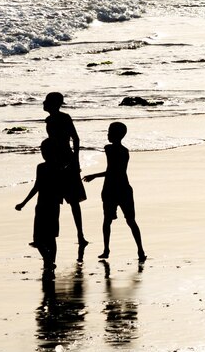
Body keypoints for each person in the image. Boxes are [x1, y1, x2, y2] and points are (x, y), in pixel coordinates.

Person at [83, 122, 147, 262]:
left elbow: (112, 171)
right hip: (124, 188)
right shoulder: (125, 151)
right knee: (131, 221)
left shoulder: (109, 149)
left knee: (107, 221)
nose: (107, 134)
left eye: (109, 132)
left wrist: (94, 176)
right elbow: (117, 171)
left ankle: (106, 250)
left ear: (116, 134)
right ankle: (140, 250)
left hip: (111, 189)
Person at [43, 92, 89, 261]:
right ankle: (50, 235)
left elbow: (75, 139)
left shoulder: (64, 117)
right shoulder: (49, 120)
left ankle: (81, 236)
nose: (43, 103)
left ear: (54, 104)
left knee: (73, 201)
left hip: (66, 159)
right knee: (53, 200)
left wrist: (76, 160)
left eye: (46, 101)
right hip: (54, 160)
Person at [16, 139, 63, 275]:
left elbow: (36, 187)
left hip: (43, 205)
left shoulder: (42, 167)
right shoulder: (59, 167)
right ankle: (49, 261)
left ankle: (48, 260)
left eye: (44, 151)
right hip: (53, 205)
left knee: (39, 238)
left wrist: (23, 203)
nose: (43, 153)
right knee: (51, 237)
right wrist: (23, 203)